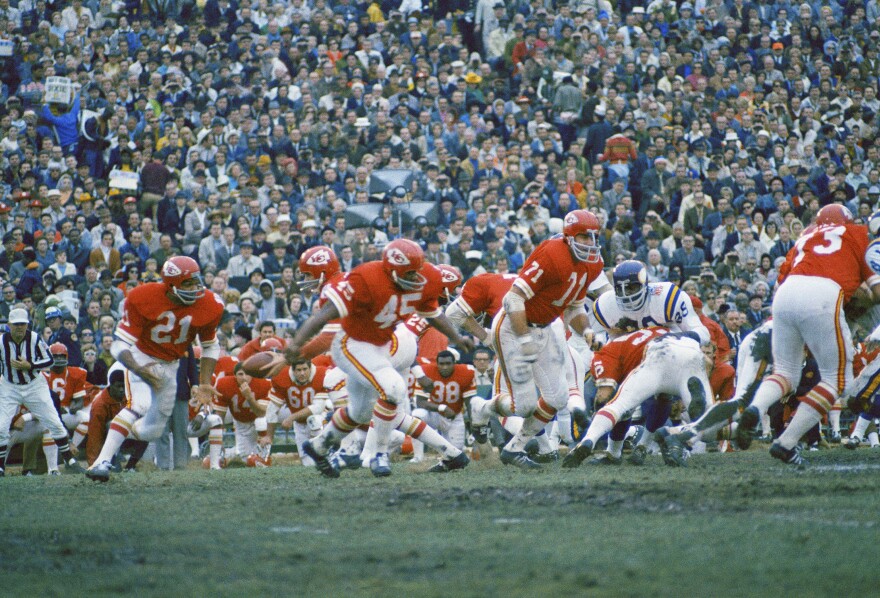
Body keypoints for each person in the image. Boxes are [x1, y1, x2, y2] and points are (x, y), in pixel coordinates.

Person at [275, 239, 474, 478]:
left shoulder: (426, 277)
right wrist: (295, 347)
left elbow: (432, 313)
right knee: (392, 390)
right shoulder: (365, 278)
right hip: (353, 344)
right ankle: (377, 453)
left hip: (385, 343)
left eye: (417, 270)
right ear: (390, 270)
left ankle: (318, 446)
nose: (415, 277)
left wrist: (456, 337)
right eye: (408, 272)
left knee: (361, 412)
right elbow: (325, 323)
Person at [470, 210, 611, 469]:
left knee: (557, 398)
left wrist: (588, 331)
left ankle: (515, 448)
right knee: (522, 406)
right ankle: (481, 408)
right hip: (515, 326)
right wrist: (524, 339)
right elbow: (513, 299)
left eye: (594, 237)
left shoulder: (593, 264)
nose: (591, 244)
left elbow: (575, 307)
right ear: (569, 237)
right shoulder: (552, 254)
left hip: (546, 328)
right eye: (584, 237)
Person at [85, 256, 224, 481]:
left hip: (171, 365)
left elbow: (210, 345)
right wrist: (140, 370)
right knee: (138, 404)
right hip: (141, 357)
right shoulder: (143, 297)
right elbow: (120, 344)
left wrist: (205, 382)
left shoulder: (208, 303)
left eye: (196, 281)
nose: (195, 288)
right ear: (170, 285)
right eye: (187, 283)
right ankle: (101, 462)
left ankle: (119, 429)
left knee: (153, 430)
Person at [0, 308, 85, 476]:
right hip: (10, 385)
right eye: (16, 324)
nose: (19, 328)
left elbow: (50, 359)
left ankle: (70, 460)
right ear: (9, 325)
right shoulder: (1, 342)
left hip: (34, 384)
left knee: (53, 420)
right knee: (2, 426)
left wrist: (29, 365)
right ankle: (1, 467)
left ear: (27, 325)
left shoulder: (34, 338)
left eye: (23, 324)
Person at [265, 357, 346, 468]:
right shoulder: (282, 377)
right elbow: (272, 409)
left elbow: (317, 408)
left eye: (304, 369)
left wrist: (291, 417)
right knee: (308, 463)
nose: (302, 373)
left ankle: (330, 450)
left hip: (321, 417)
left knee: (314, 420)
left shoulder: (320, 374)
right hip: (299, 423)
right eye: (298, 370)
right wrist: (269, 436)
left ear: (310, 367)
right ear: (292, 370)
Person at [412, 350, 477, 456]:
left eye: (448, 363)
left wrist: (474, 427)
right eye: (441, 364)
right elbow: (420, 403)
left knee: (455, 455)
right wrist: (442, 408)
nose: (445, 367)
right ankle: (418, 457)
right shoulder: (426, 372)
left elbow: (469, 404)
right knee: (417, 415)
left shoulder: (466, 372)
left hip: (455, 417)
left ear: (454, 363)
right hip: (435, 414)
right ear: (437, 364)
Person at [86, 367, 149, 471]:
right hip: (107, 441)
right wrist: (93, 464)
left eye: (124, 386)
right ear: (111, 386)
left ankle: (130, 467)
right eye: (118, 386)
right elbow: (95, 436)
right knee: (112, 424)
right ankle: (111, 460)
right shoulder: (99, 405)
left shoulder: (131, 397)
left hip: (126, 438)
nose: (121, 390)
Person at [43, 343, 90, 449]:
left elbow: (80, 400)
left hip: (66, 411)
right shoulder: (42, 374)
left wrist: (75, 407)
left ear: (67, 356)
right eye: (56, 356)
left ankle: (72, 447)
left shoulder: (76, 373)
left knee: (86, 418)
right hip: (47, 414)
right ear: (50, 357)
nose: (59, 359)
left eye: (61, 356)